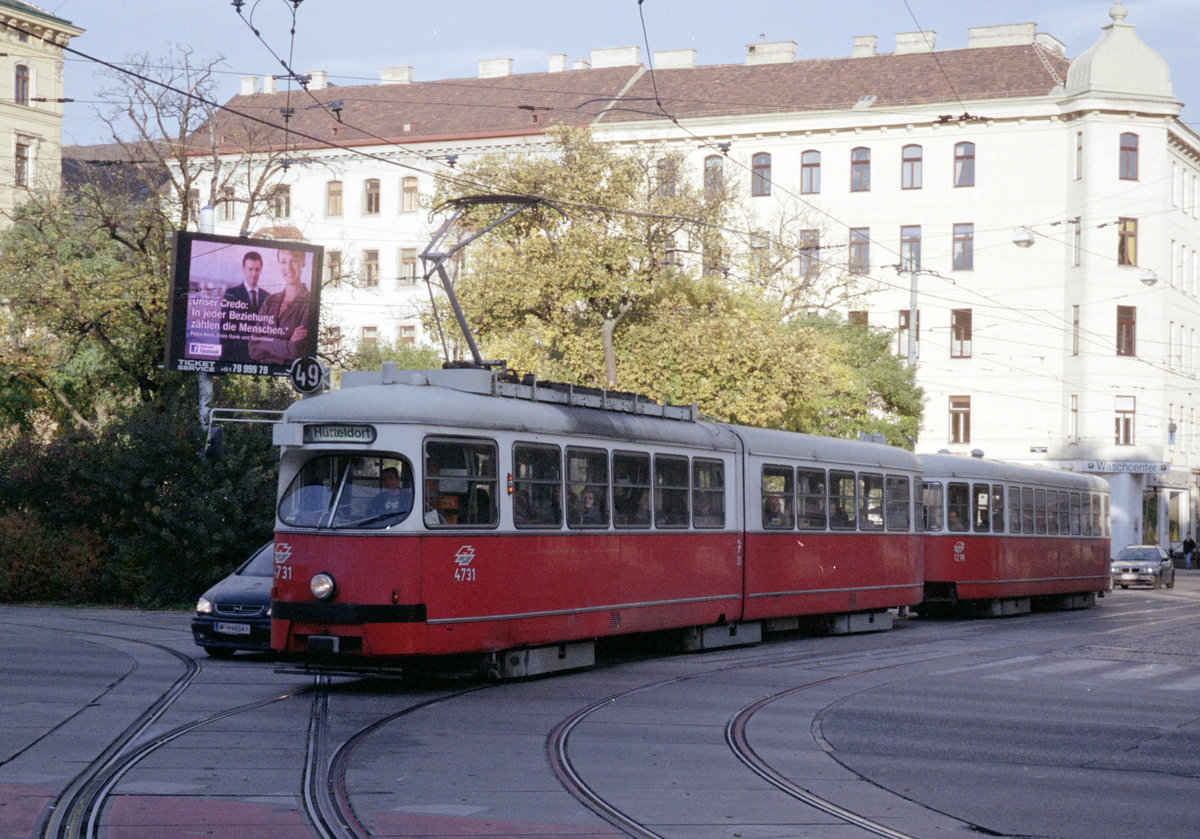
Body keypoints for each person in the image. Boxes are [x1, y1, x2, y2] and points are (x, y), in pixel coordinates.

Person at [248, 248, 311, 366]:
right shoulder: (270, 300)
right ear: (278, 264)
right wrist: (288, 344)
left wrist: (265, 343)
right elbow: (253, 349)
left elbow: (296, 350)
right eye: (283, 262)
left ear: (303, 262)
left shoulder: (309, 301)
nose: (288, 268)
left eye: (294, 261)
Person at [221, 251, 265, 364]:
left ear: (261, 270)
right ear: (243, 269)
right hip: (236, 356)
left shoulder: (268, 297)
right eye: (250, 269)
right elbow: (225, 328)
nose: (254, 274)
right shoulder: (231, 294)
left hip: (261, 359)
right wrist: (224, 361)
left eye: (257, 269)